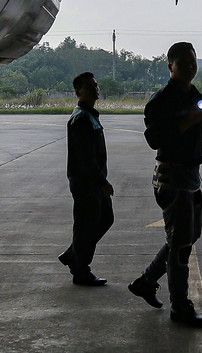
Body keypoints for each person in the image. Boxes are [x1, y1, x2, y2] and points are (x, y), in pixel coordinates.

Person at [128, 42, 202, 327]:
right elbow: (153, 138)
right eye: (184, 64)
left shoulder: (193, 94)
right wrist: (188, 122)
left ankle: (146, 281)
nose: (190, 68)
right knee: (180, 246)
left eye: (193, 63)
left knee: (187, 238)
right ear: (171, 67)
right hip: (171, 177)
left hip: (190, 177)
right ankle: (180, 305)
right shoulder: (161, 101)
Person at [58, 72, 114, 286]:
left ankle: (73, 254)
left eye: (96, 84)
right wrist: (102, 183)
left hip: (91, 182)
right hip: (86, 183)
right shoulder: (81, 118)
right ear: (79, 92)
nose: (96, 88)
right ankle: (81, 270)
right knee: (86, 226)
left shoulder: (89, 115)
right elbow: (86, 159)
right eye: (91, 86)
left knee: (104, 219)